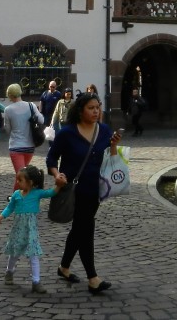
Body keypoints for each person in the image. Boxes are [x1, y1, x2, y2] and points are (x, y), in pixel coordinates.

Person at [46, 92, 122, 295]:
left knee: (79, 229)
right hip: (73, 189)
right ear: (80, 111)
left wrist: (114, 146)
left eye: (97, 107)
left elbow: (110, 159)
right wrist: (57, 174)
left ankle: (64, 267)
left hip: (94, 189)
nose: (96, 111)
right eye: (91, 108)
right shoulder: (67, 133)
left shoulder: (104, 130)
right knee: (85, 229)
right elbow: (51, 159)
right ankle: (93, 278)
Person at [0, 164, 60, 293]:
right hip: (18, 230)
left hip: (31, 231)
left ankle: (36, 281)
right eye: (17, 180)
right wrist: (0, 217)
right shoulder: (16, 195)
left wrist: (59, 185)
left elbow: (51, 193)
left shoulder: (37, 193)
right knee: (14, 253)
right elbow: (10, 208)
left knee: (34, 255)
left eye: (20, 180)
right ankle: (9, 271)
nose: (17, 183)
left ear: (30, 182)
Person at [3, 83, 44, 173]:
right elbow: (41, 120)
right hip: (30, 146)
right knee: (23, 177)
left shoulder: (8, 109)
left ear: (10, 95)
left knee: (21, 177)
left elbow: (8, 130)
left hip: (16, 146)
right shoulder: (31, 106)